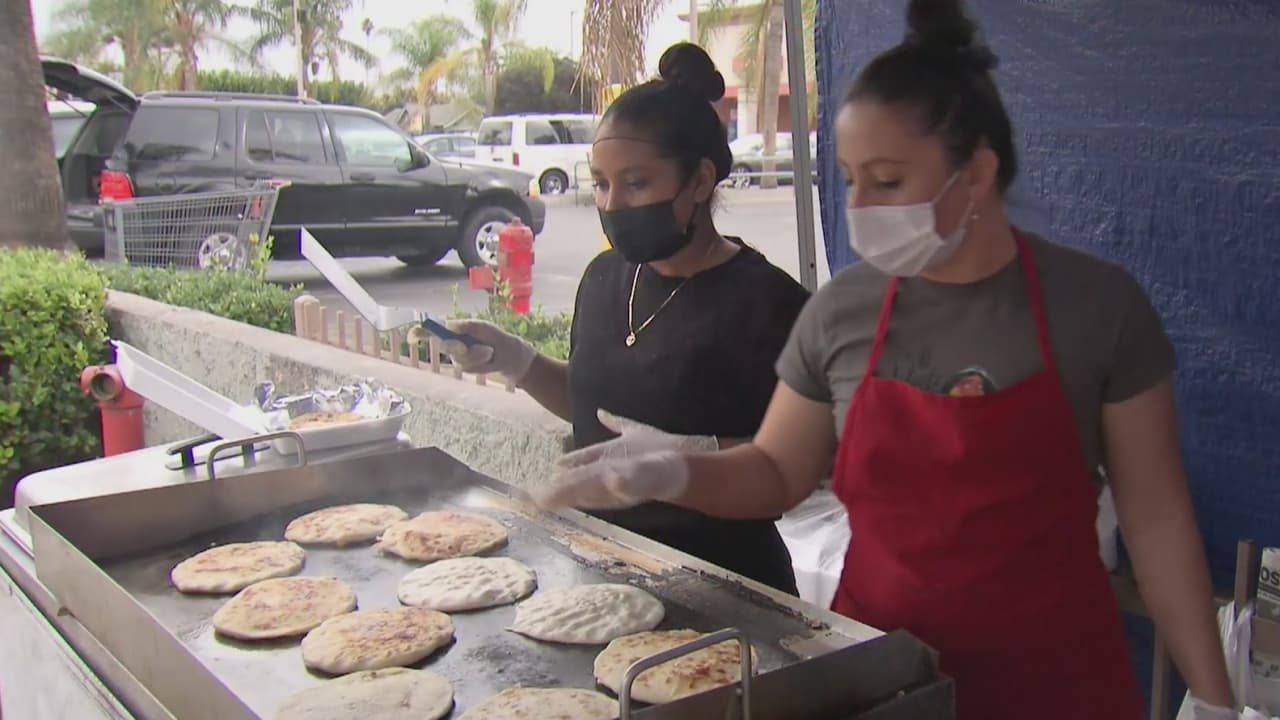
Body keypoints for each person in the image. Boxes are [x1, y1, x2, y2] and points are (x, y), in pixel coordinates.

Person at [537, 2, 1236, 718]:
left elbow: (1156, 522)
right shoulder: (841, 314)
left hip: (1055, 676)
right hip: (878, 672)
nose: (862, 204)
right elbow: (777, 471)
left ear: (977, 172)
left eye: (889, 180)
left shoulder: (1096, 307)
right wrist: (670, 469)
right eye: (849, 179)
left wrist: (1213, 701)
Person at [445, 43, 810, 595]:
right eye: (601, 183)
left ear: (700, 180)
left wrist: (687, 458)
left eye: (636, 183)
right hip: (604, 569)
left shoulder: (769, 303)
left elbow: (801, 468)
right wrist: (517, 362)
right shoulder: (604, 278)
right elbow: (601, 411)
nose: (613, 203)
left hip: (728, 586)